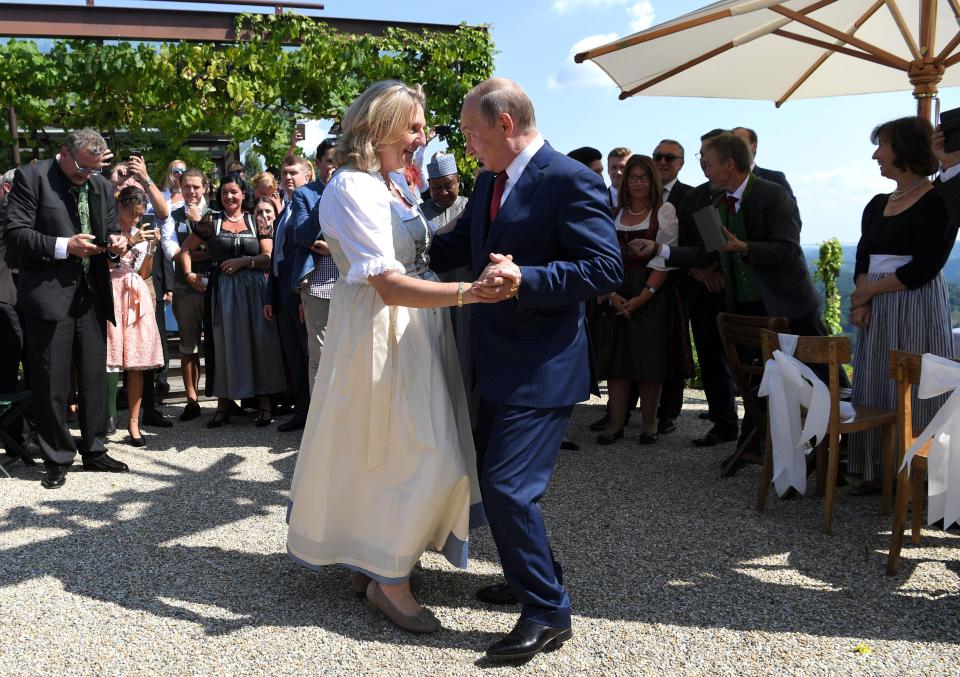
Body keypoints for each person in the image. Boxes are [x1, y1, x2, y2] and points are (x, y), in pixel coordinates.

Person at [287, 80, 498, 636]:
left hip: (415, 333)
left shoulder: (390, 184)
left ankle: (374, 562)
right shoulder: (352, 187)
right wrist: (468, 293)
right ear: (379, 127)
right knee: (414, 453)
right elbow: (386, 283)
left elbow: (418, 252)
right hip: (382, 334)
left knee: (391, 449)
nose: (421, 136)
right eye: (412, 126)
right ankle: (389, 583)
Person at [430, 78, 622, 661]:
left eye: (471, 134)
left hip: (542, 366)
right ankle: (529, 573)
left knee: (510, 489)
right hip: (494, 362)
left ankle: (547, 610)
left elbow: (605, 268)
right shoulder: (491, 180)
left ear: (505, 124)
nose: (468, 148)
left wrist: (528, 280)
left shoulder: (570, 180)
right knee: (494, 481)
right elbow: (453, 248)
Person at [5, 128, 130, 489]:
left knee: (93, 376)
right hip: (47, 295)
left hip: (91, 294)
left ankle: (94, 449)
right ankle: (57, 457)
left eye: (94, 169)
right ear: (64, 153)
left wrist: (115, 243)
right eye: (82, 168)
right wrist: (64, 246)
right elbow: (15, 233)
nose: (87, 175)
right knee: (50, 381)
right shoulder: (32, 178)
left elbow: (107, 230)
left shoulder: (102, 186)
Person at [846, 117, 956, 492]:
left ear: (906, 149)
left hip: (912, 302)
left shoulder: (937, 201)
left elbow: (925, 267)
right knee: (874, 381)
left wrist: (870, 293)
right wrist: (861, 299)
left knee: (912, 382)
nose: (876, 154)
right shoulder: (877, 204)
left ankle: (918, 472)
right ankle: (877, 468)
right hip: (876, 304)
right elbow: (863, 256)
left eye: (883, 145)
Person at [592, 154, 688, 446]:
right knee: (617, 361)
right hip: (616, 290)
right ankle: (616, 423)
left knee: (649, 362)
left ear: (653, 181)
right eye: (632, 177)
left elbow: (665, 260)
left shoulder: (664, 211)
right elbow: (603, 256)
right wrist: (611, 295)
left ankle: (650, 423)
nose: (636, 183)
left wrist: (644, 296)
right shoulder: (612, 213)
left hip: (652, 293)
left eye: (643, 177)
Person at [176, 174, 285, 428]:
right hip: (222, 291)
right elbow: (185, 250)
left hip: (255, 290)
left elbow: (267, 257)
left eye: (234, 192)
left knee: (261, 341)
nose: (229, 197)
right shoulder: (210, 221)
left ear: (244, 193)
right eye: (224, 193)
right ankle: (223, 404)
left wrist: (243, 262)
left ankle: (264, 403)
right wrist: (190, 275)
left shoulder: (256, 219)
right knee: (223, 343)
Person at [106, 186, 165, 447]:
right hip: (111, 290)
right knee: (108, 359)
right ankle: (105, 416)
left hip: (135, 292)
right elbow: (106, 263)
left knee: (137, 362)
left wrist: (151, 248)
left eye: (141, 216)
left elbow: (143, 273)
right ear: (122, 206)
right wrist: (131, 240)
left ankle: (134, 422)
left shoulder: (140, 232)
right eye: (134, 214)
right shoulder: (108, 228)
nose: (137, 220)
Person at [265, 155, 311, 431]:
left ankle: (313, 416)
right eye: (284, 173)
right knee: (293, 356)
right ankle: (301, 412)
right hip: (282, 295)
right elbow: (276, 258)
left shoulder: (311, 207)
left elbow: (310, 256)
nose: (288, 178)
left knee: (309, 357)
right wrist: (270, 296)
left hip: (302, 294)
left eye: (294, 172)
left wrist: (304, 294)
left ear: (308, 174)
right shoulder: (284, 212)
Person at [161, 168, 210, 422]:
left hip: (213, 285)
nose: (191, 191)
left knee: (216, 343)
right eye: (187, 187)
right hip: (185, 287)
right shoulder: (173, 214)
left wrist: (196, 227)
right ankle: (192, 399)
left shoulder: (215, 213)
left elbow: (219, 249)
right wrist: (195, 254)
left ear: (205, 188)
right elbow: (171, 250)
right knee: (187, 345)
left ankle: (222, 398)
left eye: (196, 187)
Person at [652, 139, 693, 435]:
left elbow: (707, 240)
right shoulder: (641, 192)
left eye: (670, 157)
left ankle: (668, 412)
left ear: (681, 163)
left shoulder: (692, 196)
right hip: (644, 281)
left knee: (674, 349)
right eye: (658, 157)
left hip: (682, 283)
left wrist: (703, 269)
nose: (664, 162)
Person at [290, 139, 337, 386]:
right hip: (318, 283)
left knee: (350, 352)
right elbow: (303, 236)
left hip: (351, 282)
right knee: (320, 355)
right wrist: (327, 195)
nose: (335, 166)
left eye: (340, 160)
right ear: (318, 163)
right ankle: (319, 421)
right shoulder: (305, 195)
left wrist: (335, 249)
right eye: (330, 160)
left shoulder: (353, 191)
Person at [731, 126, 797, 205]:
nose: (734, 148)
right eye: (730, 145)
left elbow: (792, 214)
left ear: (754, 147)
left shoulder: (775, 179)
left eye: (739, 143)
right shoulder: (722, 184)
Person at [606, 147, 631, 212]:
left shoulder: (643, 198)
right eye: (614, 167)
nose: (618, 172)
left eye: (622, 167)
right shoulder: (600, 199)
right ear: (608, 170)